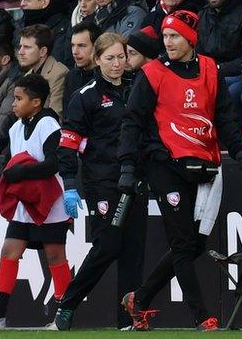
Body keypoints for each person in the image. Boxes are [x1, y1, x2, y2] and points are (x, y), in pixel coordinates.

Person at [118, 10, 242, 332]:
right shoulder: (152, 73)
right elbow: (133, 121)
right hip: (166, 165)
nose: (168, 42)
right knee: (182, 241)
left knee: (193, 245)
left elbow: (226, 119)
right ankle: (202, 317)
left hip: (206, 166)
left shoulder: (210, 70)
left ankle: (140, 299)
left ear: (190, 39)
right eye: (165, 36)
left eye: (175, 36)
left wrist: (241, 151)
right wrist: (128, 165)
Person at [48, 32, 148, 331]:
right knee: (107, 246)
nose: (117, 64)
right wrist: (69, 182)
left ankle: (128, 320)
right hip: (103, 180)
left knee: (133, 250)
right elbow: (67, 143)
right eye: (110, 58)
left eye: (122, 57)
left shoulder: (136, 89)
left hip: (135, 179)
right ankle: (66, 305)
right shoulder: (86, 96)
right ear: (97, 60)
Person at [0, 73, 71, 330]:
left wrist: (21, 173)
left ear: (36, 102)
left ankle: (64, 313)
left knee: (56, 256)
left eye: (19, 98)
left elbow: (54, 163)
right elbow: (12, 157)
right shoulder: (15, 127)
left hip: (50, 200)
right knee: (9, 250)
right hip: (25, 202)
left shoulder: (49, 125)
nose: (13, 103)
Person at [197, 0, 242, 112]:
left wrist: (217, 69)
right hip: (210, 72)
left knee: (231, 91)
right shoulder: (203, 15)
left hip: (236, 74)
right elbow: (198, 53)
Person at [17, 24, 68, 119]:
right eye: (20, 46)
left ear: (43, 51)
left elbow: (55, 116)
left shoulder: (59, 73)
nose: (20, 52)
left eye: (27, 47)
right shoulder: (27, 76)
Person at [18, 0, 71, 66]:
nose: (22, 3)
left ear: (45, 2)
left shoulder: (63, 28)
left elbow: (58, 62)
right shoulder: (18, 25)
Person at [62, 21, 101, 118]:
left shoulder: (107, 76)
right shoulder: (71, 77)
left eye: (81, 46)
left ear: (96, 46)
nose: (75, 52)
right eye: (72, 45)